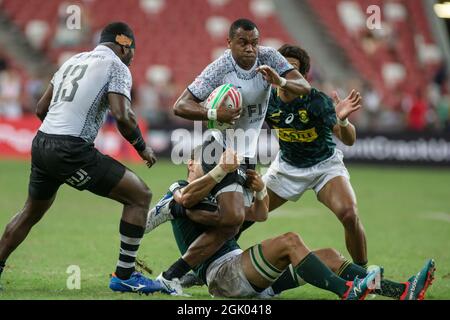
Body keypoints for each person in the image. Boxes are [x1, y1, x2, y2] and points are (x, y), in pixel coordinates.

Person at [0, 22, 167, 295]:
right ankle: (125, 275)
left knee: (30, 211)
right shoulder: (116, 66)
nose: (132, 57)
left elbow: (42, 107)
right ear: (124, 44)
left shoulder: (72, 60)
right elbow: (122, 115)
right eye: (132, 51)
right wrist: (141, 147)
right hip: (71, 149)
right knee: (140, 195)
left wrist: (56, 135)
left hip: (42, 142)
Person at [144, 148, 435, 300]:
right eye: (195, 162)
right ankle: (346, 291)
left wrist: (259, 189)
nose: (195, 166)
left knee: (332, 256)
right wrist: (221, 170)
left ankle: (402, 291)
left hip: (245, 275)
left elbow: (259, 214)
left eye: (198, 163)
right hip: (222, 276)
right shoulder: (179, 187)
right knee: (290, 240)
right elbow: (179, 204)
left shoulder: (221, 195)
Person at [155, 18, 312, 291]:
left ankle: (184, 261)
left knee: (244, 218)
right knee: (232, 217)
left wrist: (280, 81)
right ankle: (175, 227)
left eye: (254, 42)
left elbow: (305, 87)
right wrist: (215, 113)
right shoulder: (220, 67)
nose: (250, 49)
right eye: (243, 43)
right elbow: (181, 106)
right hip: (220, 146)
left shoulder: (270, 58)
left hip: (247, 154)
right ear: (229, 44)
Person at [260, 44, 369, 267]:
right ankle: (213, 263)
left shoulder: (316, 99)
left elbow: (348, 139)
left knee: (349, 214)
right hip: (286, 168)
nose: (285, 72)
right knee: (243, 215)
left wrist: (343, 120)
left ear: (301, 76)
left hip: (324, 167)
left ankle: (363, 276)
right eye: (282, 66)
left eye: (292, 69)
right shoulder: (266, 99)